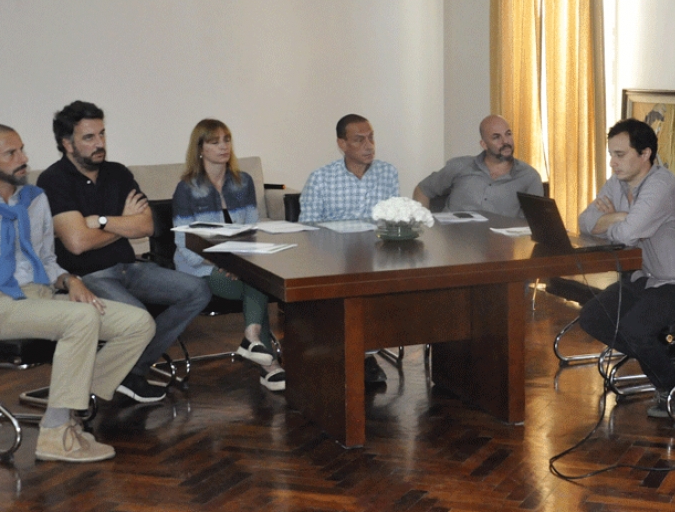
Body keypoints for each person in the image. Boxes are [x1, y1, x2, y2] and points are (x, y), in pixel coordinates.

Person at [0, 124, 156, 462]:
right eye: (11, 153)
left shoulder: (35, 200)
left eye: (22, 149)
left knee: (137, 322)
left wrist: (69, 280)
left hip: (41, 296)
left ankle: (68, 410)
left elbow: (47, 260)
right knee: (81, 318)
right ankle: (54, 433)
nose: (24, 159)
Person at [37, 101, 212, 404]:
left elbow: (146, 226)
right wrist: (120, 223)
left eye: (102, 134)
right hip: (88, 276)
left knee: (197, 290)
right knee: (138, 319)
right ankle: (120, 373)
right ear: (67, 144)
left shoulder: (117, 173)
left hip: (130, 268)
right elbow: (77, 243)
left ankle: (130, 371)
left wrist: (101, 222)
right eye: (89, 137)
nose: (100, 143)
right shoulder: (53, 180)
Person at [576, 119, 675, 417]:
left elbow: (628, 234)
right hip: (651, 278)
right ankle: (667, 356)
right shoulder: (618, 182)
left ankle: (671, 384)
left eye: (620, 154)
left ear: (645, 154)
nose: (613, 163)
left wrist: (618, 220)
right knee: (592, 316)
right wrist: (621, 217)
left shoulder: (662, 184)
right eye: (611, 155)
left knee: (635, 328)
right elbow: (585, 222)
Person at [171, 119, 285, 392]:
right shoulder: (186, 188)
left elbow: (250, 230)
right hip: (199, 266)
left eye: (227, 139)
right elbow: (184, 242)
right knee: (255, 285)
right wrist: (222, 262)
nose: (223, 146)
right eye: (214, 141)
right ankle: (267, 364)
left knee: (256, 280)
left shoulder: (242, 181)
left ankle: (253, 340)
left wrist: (239, 262)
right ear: (200, 149)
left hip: (238, 261)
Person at [298, 113, 399, 384]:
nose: (369, 146)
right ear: (342, 144)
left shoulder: (387, 173)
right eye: (359, 140)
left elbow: (393, 217)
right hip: (334, 259)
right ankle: (356, 356)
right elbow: (307, 229)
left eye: (371, 138)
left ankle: (364, 353)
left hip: (376, 258)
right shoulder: (321, 178)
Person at [413, 115, 543, 217]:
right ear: (484, 144)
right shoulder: (460, 166)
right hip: (452, 241)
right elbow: (422, 190)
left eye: (508, 134)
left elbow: (534, 223)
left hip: (499, 246)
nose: (505, 142)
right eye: (496, 137)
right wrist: (423, 228)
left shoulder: (529, 177)